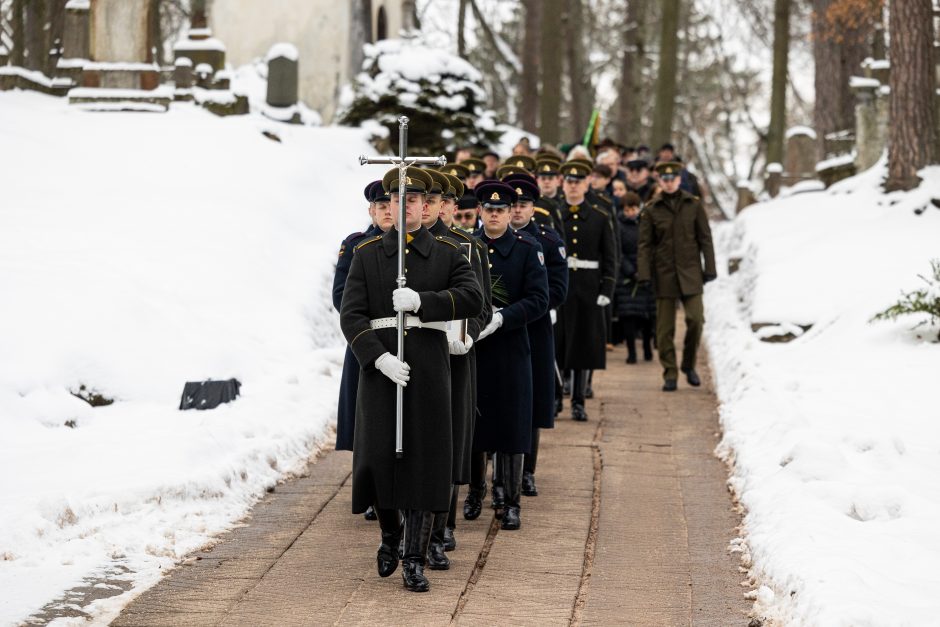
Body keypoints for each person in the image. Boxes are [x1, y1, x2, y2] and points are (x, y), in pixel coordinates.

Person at [340, 166, 483, 592]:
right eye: (398, 201)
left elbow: (473, 297)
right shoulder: (366, 254)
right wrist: (377, 357)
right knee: (379, 455)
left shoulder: (446, 252)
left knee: (425, 459)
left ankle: (415, 558)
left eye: (415, 201)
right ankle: (389, 537)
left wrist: (425, 301)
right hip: (383, 368)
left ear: (427, 206)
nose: (407, 208)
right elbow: (351, 314)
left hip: (428, 364)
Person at [467, 181, 548, 530]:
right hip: (476, 348)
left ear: (509, 213)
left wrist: (503, 317)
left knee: (513, 425)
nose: (495, 215)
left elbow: (539, 299)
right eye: (489, 210)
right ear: (481, 212)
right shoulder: (468, 249)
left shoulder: (527, 249)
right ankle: (474, 491)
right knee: (474, 423)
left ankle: (511, 500)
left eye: (501, 210)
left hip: (511, 347)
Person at [422, 169, 491, 566]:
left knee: (447, 439)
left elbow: (481, 307)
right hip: (414, 354)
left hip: (454, 356)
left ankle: (442, 524)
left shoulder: (467, 248)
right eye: (426, 201)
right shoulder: (392, 247)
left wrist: (469, 335)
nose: (434, 209)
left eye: (440, 202)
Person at [506, 174, 568, 497]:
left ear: (533, 208)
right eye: (512, 204)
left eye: (523, 205)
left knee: (530, 403)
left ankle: (526, 470)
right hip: (498, 332)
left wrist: (528, 308)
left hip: (534, 329)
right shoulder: (484, 239)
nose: (516, 210)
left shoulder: (547, 240)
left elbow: (558, 287)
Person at [332, 182, 392, 511]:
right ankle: (368, 490)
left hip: (402, 340)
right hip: (365, 340)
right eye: (379, 205)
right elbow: (341, 297)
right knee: (366, 420)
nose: (385, 210)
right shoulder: (356, 245)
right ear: (370, 210)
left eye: (390, 204)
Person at [636, 162, 716, 392]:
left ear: (679, 180)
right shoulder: (652, 209)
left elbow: (705, 239)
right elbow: (645, 245)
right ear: (660, 181)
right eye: (665, 179)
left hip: (690, 272)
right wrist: (644, 273)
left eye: (673, 178)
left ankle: (688, 365)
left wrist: (709, 267)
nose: (669, 182)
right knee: (664, 329)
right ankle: (670, 372)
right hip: (664, 273)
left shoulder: (694, 205)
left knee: (695, 319)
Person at [556, 161, 616, 421]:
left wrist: (607, 287)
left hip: (588, 287)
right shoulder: (554, 213)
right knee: (558, 346)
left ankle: (578, 401)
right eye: (569, 181)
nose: (573, 186)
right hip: (561, 285)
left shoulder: (600, 215)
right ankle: (556, 399)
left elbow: (610, 255)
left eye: (578, 181)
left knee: (582, 347)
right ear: (563, 183)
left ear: (587, 183)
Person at [613, 192, 655, 363]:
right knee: (628, 317)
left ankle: (647, 345)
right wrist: (631, 271)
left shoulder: (646, 223)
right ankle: (631, 352)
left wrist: (645, 270)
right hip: (627, 278)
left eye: (634, 209)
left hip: (646, 275)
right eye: (628, 209)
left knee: (648, 316)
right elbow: (618, 251)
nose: (631, 212)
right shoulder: (618, 226)